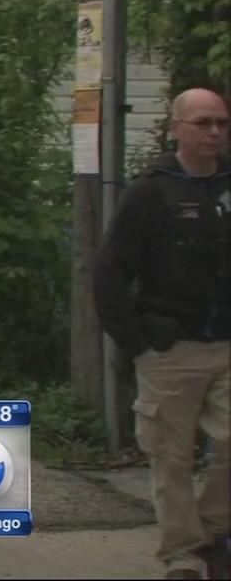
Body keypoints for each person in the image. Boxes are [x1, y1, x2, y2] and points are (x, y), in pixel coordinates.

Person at [95, 87, 230, 581]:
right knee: (171, 459)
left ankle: (214, 536)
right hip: (171, 351)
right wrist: (135, 343)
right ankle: (183, 555)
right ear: (177, 128)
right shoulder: (152, 192)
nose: (214, 132)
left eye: (221, 122)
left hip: (227, 344)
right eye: (203, 123)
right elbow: (109, 271)